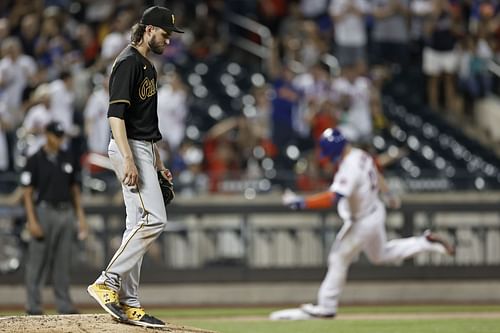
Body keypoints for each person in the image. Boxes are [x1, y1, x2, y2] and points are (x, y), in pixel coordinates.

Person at [270, 128, 454, 320]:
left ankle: (326, 306)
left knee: (338, 257)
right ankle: (425, 242)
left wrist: (302, 202)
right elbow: (377, 174)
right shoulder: (361, 155)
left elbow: (334, 197)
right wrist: (389, 194)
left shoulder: (350, 166)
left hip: (362, 221)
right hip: (375, 212)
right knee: (380, 255)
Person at [86, 6, 183, 328]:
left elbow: (145, 122)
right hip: (128, 148)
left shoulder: (146, 65)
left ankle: (130, 303)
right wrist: (129, 158)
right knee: (154, 220)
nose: (168, 41)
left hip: (143, 148)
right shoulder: (128, 62)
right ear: (149, 29)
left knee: (136, 225)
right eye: (165, 34)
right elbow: (115, 116)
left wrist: (157, 160)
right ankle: (108, 281)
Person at [21, 121, 88, 315]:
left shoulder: (68, 157)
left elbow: (74, 189)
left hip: (66, 211)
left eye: (61, 136)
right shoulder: (35, 159)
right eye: (56, 135)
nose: (59, 139)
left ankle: (64, 304)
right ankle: (33, 305)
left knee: (63, 260)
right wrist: (32, 221)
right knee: (37, 261)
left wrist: (80, 217)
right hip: (44, 211)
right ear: (47, 135)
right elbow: (27, 193)